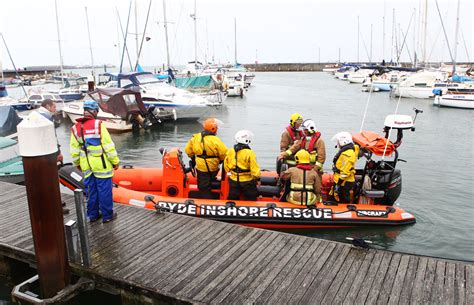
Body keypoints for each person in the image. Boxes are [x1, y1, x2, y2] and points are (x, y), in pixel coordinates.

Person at [70, 100, 120, 223]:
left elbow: (74, 151)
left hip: (86, 165)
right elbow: (108, 146)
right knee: (104, 191)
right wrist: (115, 161)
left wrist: (77, 164)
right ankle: (107, 216)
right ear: (94, 111)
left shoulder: (75, 128)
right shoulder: (98, 125)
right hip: (101, 165)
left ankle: (92, 215)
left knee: (91, 191)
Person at [185, 118, 228, 199]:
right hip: (213, 168)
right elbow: (224, 153)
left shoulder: (195, 137)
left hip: (201, 168)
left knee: (203, 186)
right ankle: (210, 200)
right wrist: (220, 161)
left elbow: (188, 151)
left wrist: (193, 159)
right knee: (210, 181)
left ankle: (206, 198)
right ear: (213, 128)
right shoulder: (216, 140)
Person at [224, 130, 261, 201]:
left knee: (232, 198)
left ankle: (231, 210)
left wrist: (229, 174)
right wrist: (257, 178)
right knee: (252, 198)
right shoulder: (250, 153)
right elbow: (254, 168)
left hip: (233, 179)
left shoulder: (230, 151)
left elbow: (226, 165)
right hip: (247, 181)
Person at [298, 119, 326, 202]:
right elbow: (295, 147)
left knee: (316, 189)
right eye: (304, 130)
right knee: (307, 188)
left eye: (306, 130)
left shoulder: (319, 141)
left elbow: (321, 158)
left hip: (315, 170)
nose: (304, 131)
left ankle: (319, 203)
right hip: (305, 169)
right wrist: (284, 154)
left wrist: (314, 170)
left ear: (311, 128)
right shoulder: (304, 139)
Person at [330, 131, 359, 203]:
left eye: (338, 141)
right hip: (341, 180)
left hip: (344, 182)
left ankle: (343, 212)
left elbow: (345, 172)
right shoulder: (351, 149)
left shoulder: (348, 154)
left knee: (342, 199)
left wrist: (339, 184)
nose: (338, 143)